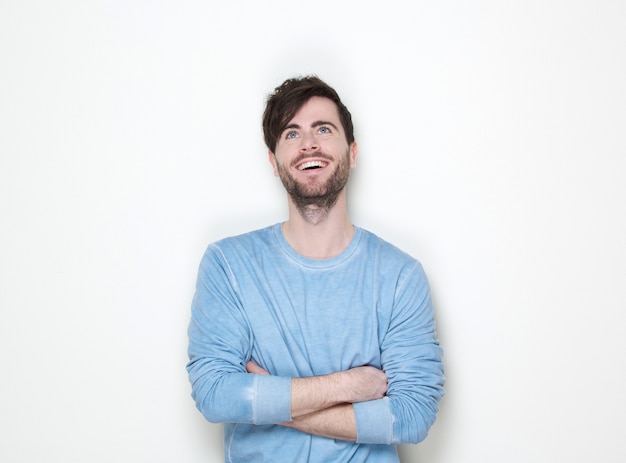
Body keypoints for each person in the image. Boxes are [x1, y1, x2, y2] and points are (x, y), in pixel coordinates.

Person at [187, 75, 444, 462]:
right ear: (274, 162)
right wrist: (349, 385)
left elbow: (411, 417)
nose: (308, 143)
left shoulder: (399, 277)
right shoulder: (228, 265)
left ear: (353, 153)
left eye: (323, 129)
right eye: (292, 133)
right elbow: (215, 394)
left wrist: (274, 406)